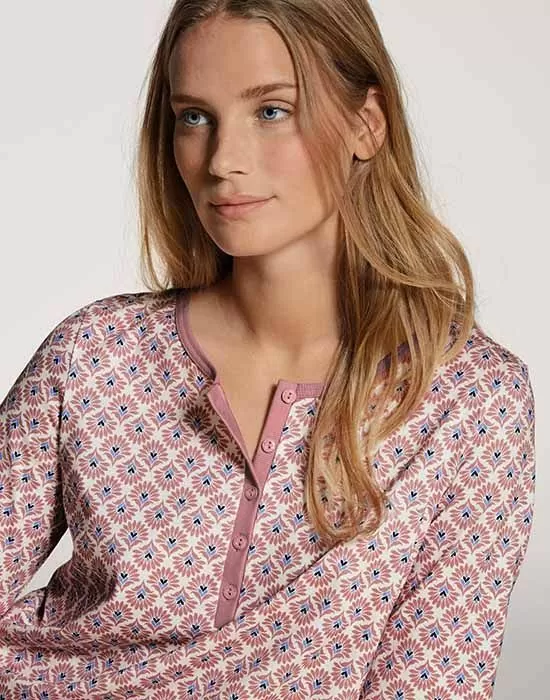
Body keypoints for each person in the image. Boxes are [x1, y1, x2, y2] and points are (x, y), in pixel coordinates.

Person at [0, 1, 536, 698]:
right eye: (195, 117)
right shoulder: (93, 355)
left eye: (272, 111)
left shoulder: (471, 402)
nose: (223, 161)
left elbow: (432, 683)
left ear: (366, 124)